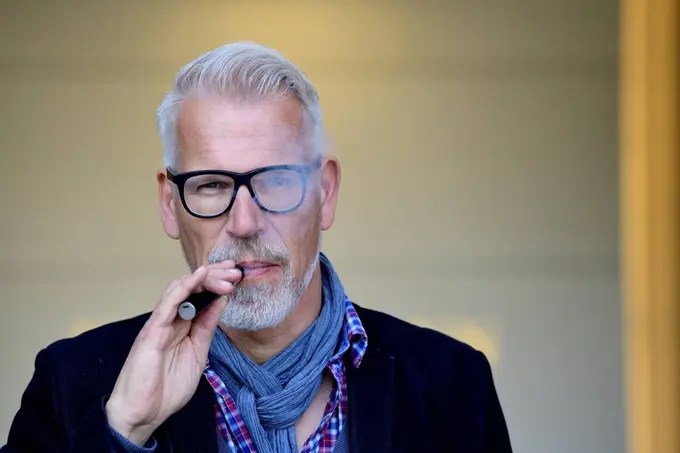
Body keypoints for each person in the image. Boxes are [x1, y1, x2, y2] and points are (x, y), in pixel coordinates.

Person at [2, 42, 513, 453]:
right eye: (210, 185)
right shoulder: (72, 383)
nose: (244, 222)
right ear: (169, 204)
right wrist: (123, 430)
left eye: (275, 181)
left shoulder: (453, 383)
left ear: (325, 193)